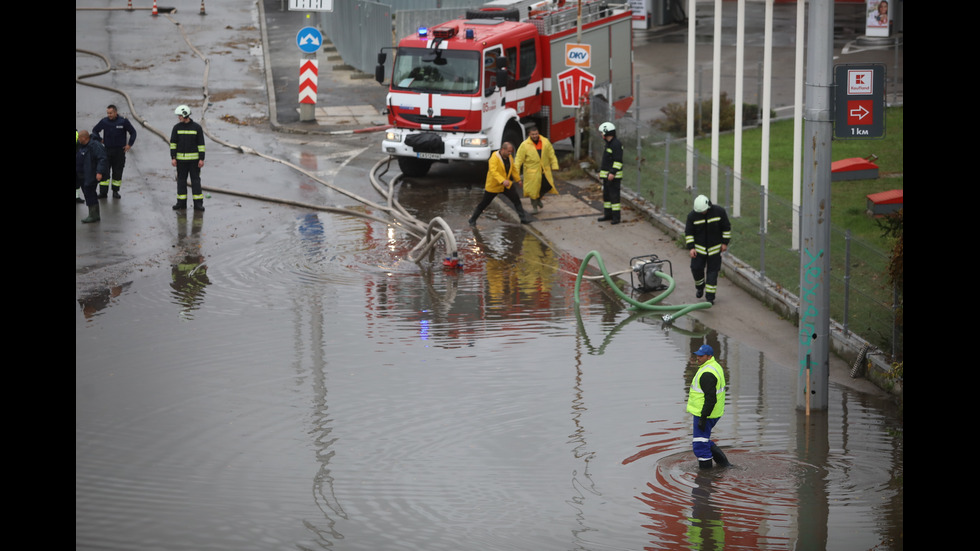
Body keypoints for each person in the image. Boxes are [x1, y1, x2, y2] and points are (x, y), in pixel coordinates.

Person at [468, 141, 532, 226]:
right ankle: (472, 219)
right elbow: (493, 171)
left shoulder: (509, 157)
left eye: (511, 151)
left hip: (506, 185)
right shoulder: (494, 158)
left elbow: (513, 170)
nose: (510, 153)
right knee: (484, 203)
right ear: (503, 150)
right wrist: (502, 180)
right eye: (508, 151)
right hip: (494, 185)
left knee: (516, 200)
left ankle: (523, 219)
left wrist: (518, 180)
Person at [687, 344, 730, 469]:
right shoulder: (714, 366)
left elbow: (711, 398)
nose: (698, 358)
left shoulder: (707, 373)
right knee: (704, 441)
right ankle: (725, 466)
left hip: (705, 414)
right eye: (697, 355)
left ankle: (705, 479)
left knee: (700, 446)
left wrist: (703, 418)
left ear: (709, 356)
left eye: (701, 356)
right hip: (712, 412)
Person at [685, 194, 731, 304]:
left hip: (714, 250)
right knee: (696, 269)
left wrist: (725, 243)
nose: (702, 213)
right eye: (700, 212)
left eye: (704, 211)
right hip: (699, 251)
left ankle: (710, 297)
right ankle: (700, 287)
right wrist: (691, 248)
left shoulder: (719, 212)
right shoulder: (692, 216)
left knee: (712, 273)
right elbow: (689, 233)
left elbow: (726, 228)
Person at [92, 104, 138, 199]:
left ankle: (115, 191)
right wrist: (100, 139)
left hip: (119, 152)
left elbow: (133, 132)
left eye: (111, 113)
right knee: (105, 172)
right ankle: (103, 193)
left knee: (117, 172)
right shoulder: (104, 121)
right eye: (108, 113)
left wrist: (129, 145)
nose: (109, 115)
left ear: (115, 112)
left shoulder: (123, 121)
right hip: (107, 151)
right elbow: (95, 131)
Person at [169, 104, 206, 211]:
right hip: (181, 162)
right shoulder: (176, 128)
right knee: (181, 182)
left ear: (185, 114)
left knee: (195, 182)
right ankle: (181, 203)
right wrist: (173, 157)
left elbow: (201, 144)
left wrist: (201, 159)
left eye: (180, 115)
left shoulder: (197, 128)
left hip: (194, 162)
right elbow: (173, 144)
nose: (178, 117)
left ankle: (198, 204)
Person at [515, 127, 559, 213]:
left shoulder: (545, 142)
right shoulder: (524, 145)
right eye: (533, 134)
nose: (535, 136)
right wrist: (515, 173)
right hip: (531, 172)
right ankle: (535, 207)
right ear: (529, 135)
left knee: (548, 186)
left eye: (536, 134)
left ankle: (538, 198)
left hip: (544, 171)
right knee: (533, 190)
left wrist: (554, 165)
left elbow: (551, 154)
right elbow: (518, 159)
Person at [76, 130, 108, 224]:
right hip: (82, 174)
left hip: (90, 174)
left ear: (84, 138)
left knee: (90, 193)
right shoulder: (82, 146)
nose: (78, 140)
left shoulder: (95, 146)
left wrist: (99, 172)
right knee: (88, 193)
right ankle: (94, 214)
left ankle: (93, 215)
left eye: (79, 138)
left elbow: (102, 159)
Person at [596, 121, 623, 225]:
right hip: (607, 176)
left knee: (614, 197)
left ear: (607, 132)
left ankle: (616, 218)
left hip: (613, 177)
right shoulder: (609, 144)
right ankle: (608, 215)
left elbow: (618, 161)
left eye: (602, 132)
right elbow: (606, 161)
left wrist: (613, 173)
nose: (601, 134)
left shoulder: (616, 144)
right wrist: (600, 172)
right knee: (607, 197)